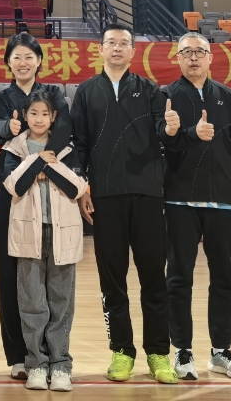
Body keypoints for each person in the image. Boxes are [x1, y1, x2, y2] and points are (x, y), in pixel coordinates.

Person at [70, 23, 176, 385]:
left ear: (133, 51)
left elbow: (163, 132)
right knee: (112, 279)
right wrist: (82, 187)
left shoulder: (150, 90)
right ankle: (121, 350)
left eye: (124, 43)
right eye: (111, 43)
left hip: (147, 194)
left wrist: (171, 128)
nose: (117, 48)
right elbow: (79, 145)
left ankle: (159, 353)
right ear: (100, 49)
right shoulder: (86, 92)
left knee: (154, 278)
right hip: (104, 196)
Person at [161, 33, 231, 382]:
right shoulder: (165, 95)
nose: (194, 57)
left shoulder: (229, 96)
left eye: (200, 52)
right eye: (187, 52)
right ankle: (182, 350)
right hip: (179, 199)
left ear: (211, 57)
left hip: (221, 200)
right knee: (178, 278)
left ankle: (220, 351)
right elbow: (161, 142)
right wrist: (178, 133)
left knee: (225, 278)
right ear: (178, 58)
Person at [0, 32, 70, 380]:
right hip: (16, 190)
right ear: (8, 62)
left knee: (52, 276)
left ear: (39, 61)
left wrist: (44, 164)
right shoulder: (0, 97)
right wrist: (7, 126)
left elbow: (65, 132)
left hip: (52, 188)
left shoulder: (54, 94)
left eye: (29, 57)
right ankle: (19, 355)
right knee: (12, 272)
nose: (22, 63)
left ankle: (54, 354)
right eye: (16, 57)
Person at [2, 91, 88, 392]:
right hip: (29, 234)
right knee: (32, 303)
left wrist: (47, 167)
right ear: (25, 116)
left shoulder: (67, 148)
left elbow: (76, 187)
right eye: (33, 113)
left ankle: (61, 364)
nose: (39, 119)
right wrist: (37, 161)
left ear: (53, 117)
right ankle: (36, 364)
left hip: (63, 233)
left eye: (44, 114)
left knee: (61, 302)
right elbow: (14, 186)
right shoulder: (13, 148)